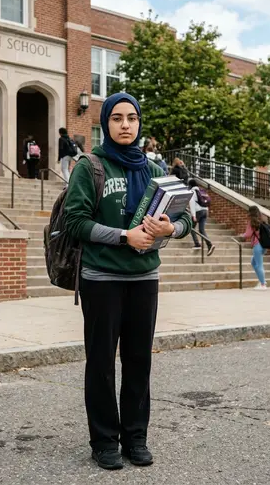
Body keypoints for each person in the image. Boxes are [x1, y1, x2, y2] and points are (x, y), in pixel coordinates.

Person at [64, 93, 192, 471]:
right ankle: (104, 441)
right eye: (117, 118)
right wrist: (125, 236)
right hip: (101, 278)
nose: (125, 124)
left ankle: (136, 437)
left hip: (144, 278)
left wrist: (171, 229)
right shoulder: (90, 166)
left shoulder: (154, 169)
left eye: (132, 118)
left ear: (139, 124)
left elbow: (185, 220)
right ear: (105, 123)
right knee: (101, 361)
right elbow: (75, 223)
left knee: (138, 361)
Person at [241, 205, 268, 290]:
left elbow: (248, 234)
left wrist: (242, 235)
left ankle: (263, 284)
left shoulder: (251, 221)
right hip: (264, 245)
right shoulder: (263, 220)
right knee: (253, 263)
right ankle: (262, 280)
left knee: (259, 265)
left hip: (257, 245)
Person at [188, 178, 215, 256]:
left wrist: (193, 215)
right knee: (201, 230)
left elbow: (192, 203)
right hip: (205, 211)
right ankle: (210, 245)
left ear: (190, 185)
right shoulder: (201, 191)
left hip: (198, 212)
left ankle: (197, 244)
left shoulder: (192, 191)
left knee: (191, 228)